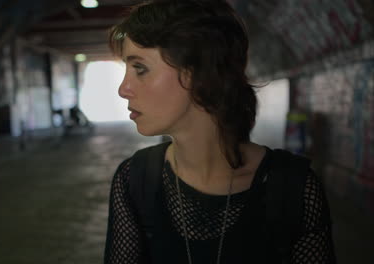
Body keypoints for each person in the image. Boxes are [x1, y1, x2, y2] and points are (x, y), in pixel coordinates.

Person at [104, 0, 336, 263]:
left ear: (198, 72)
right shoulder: (135, 181)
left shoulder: (294, 188)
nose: (123, 89)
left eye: (140, 68)